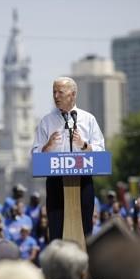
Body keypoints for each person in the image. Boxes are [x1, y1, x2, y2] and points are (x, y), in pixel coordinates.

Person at [32, 77, 105, 241]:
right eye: (54, 92)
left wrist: (84, 146)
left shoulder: (88, 119)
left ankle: (85, 263)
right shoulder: (46, 121)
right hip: (56, 182)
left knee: (86, 230)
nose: (56, 96)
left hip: (83, 182)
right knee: (56, 232)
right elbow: (35, 156)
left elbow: (101, 152)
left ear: (72, 94)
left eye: (60, 92)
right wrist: (47, 147)